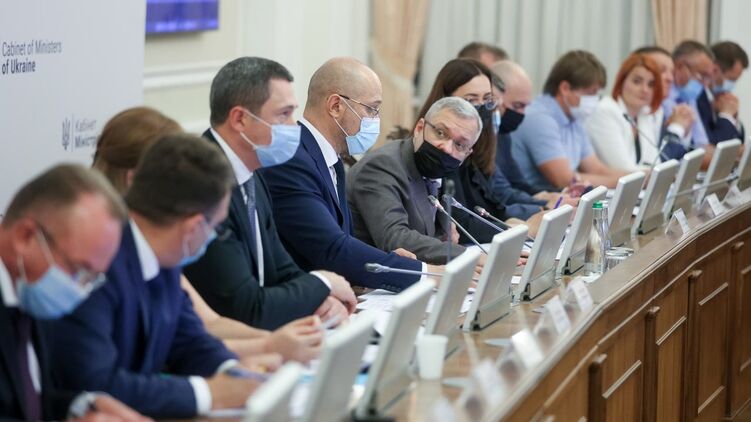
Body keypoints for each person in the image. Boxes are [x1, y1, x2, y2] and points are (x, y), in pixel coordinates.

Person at [45, 135, 264, 419]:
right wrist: (210, 393)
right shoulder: (98, 261)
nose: (213, 236)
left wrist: (233, 373)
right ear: (193, 227)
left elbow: (188, 338)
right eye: (216, 227)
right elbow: (96, 383)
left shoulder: (164, 256)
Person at [92, 107, 322, 364]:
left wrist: (276, 343)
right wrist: (270, 345)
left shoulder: (158, 254)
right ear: (136, 179)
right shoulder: (99, 262)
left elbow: (204, 328)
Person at [183, 57, 357, 330]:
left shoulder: (253, 171)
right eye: (283, 115)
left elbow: (281, 269)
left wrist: (320, 299)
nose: (294, 126)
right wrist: (323, 283)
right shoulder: (202, 183)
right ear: (240, 119)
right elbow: (246, 307)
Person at [259, 57, 442, 292]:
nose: (376, 119)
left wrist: (388, 260)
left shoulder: (332, 159)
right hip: (301, 301)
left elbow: (343, 241)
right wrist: (423, 273)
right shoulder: (292, 159)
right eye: (371, 109)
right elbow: (331, 249)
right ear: (336, 106)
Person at [0, 164, 149, 422]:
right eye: (79, 270)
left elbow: (26, 402)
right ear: (26, 236)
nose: (80, 290)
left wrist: (82, 406)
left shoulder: (28, 290)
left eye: (93, 278)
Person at [414, 58, 548, 242]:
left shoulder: (478, 145)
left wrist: (518, 221)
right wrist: (519, 230)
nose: (481, 108)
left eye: (487, 99)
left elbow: (489, 207)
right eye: (470, 100)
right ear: (445, 100)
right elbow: (457, 221)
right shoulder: (437, 150)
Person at [348, 96, 484, 264]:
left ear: (467, 154)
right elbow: (395, 238)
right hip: (367, 275)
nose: (447, 148)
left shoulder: (438, 172)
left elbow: (430, 232)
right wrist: (466, 256)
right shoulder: (382, 166)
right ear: (420, 128)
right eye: (440, 133)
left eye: (459, 145)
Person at [511, 50, 629, 190]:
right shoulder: (539, 118)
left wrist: (639, 177)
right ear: (565, 88)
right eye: (590, 93)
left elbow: (596, 169)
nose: (594, 99)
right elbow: (564, 180)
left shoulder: (574, 118)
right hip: (534, 199)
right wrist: (623, 183)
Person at [490, 60, 578, 207]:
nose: (522, 113)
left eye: (525, 106)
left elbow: (519, 185)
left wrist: (562, 194)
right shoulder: (480, 139)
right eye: (517, 105)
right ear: (495, 100)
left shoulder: (503, 134)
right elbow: (500, 194)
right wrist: (546, 203)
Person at [585, 54, 664, 171]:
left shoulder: (644, 114)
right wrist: (656, 173)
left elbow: (655, 163)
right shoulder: (605, 111)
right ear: (621, 82)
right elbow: (622, 168)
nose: (645, 90)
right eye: (637, 82)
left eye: (651, 85)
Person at [632, 46, 695, 161]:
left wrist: (685, 129)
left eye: (671, 72)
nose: (670, 78)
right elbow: (658, 163)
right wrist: (676, 128)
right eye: (661, 71)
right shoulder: (633, 113)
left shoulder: (658, 110)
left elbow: (679, 159)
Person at [663, 40, 717, 167]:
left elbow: (702, 144)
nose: (705, 84)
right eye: (702, 75)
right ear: (680, 66)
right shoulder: (662, 96)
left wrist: (732, 156)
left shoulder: (688, 97)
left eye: (708, 78)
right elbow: (668, 152)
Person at [700, 41, 748, 143]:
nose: (732, 85)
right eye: (731, 79)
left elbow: (738, 141)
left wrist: (733, 117)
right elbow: (712, 144)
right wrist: (726, 115)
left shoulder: (720, 98)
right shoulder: (697, 98)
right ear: (715, 70)